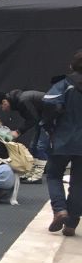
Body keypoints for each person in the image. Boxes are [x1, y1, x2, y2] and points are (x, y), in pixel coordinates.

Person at [43, 52, 82, 235]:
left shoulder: (65, 84)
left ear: (72, 66)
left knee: (53, 174)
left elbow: (49, 104)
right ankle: (72, 223)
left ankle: (60, 210)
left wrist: (50, 127)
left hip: (64, 138)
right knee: (79, 182)